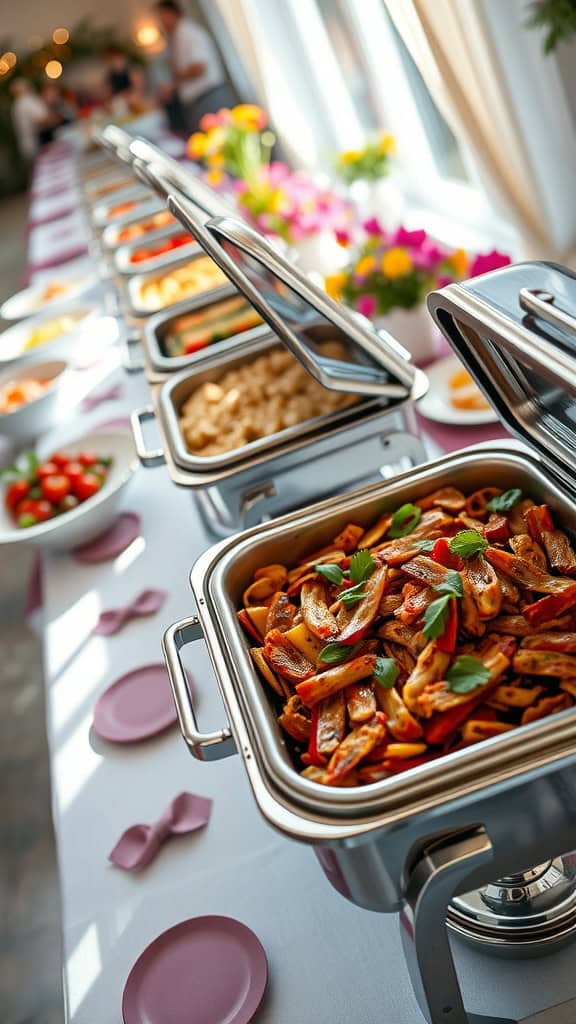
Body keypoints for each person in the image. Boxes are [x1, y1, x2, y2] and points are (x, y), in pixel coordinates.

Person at [153, 0, 236, 133]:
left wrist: (176, 78)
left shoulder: (188, 33)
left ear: (170, 13)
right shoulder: (178, 36)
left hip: (209, 98)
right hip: (200, 101)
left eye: (160, 17)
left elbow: (199, 67)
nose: (160, 23)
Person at [10, 80, 49, 162]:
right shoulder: (25, 102)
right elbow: (39, 120)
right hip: (36, 139)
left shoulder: (17, 104)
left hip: (29, 140)